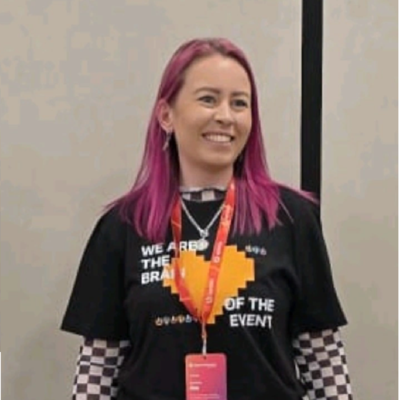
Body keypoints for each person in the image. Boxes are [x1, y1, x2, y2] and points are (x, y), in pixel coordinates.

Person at [61, 37, 353, 400]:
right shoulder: (123, 225)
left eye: (240, 103)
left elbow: (322, 358)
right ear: (166, 115)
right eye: (208, 99)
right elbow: (98, 368)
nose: (226, 116)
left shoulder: (291, 217)